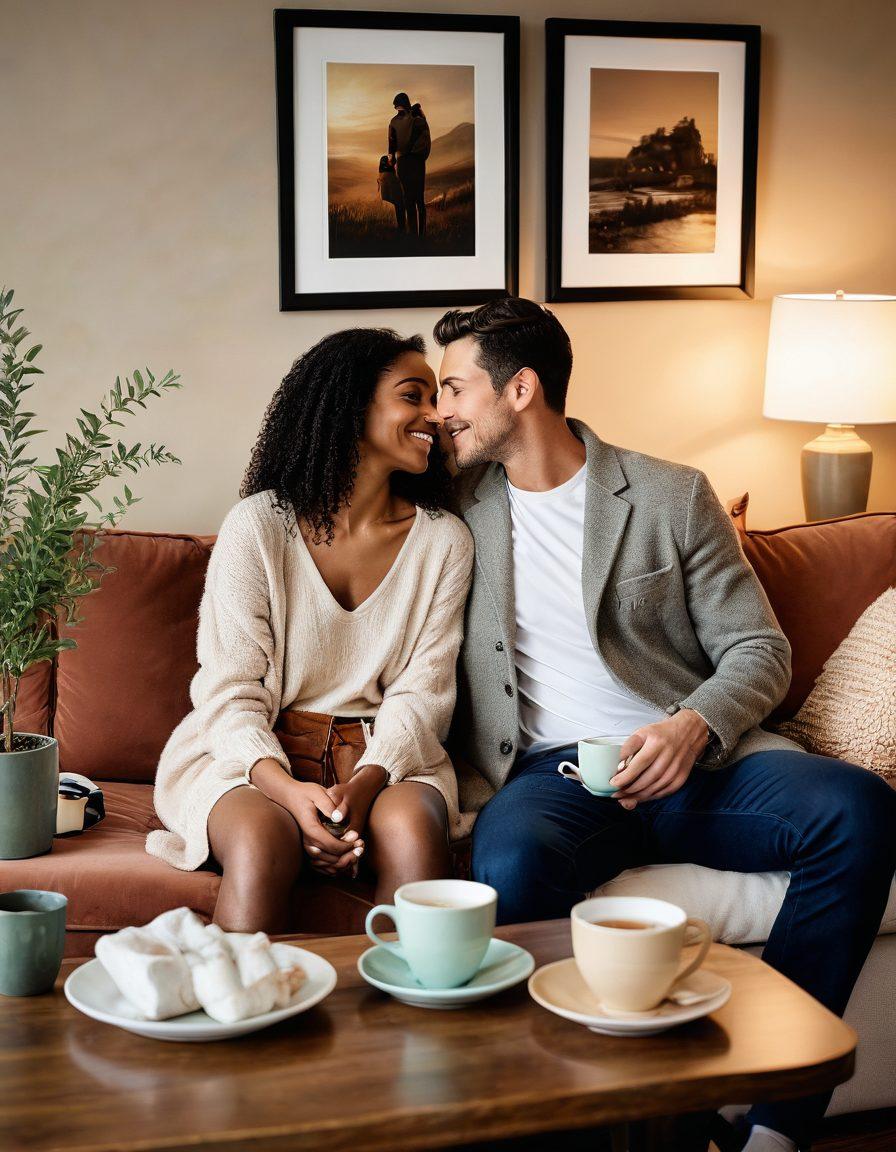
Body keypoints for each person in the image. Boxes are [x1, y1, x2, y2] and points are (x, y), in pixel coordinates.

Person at [433, 296, 896, 1152]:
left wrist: (691, 727)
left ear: (522, 388)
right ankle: (645, 1120)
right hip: (552, 778)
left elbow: (760, 648)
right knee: (511, 859)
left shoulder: (669, 494)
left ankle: (774, 1121)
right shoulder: (452, 510)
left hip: (702, 763)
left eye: (455, 388)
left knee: (859, 811)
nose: (441, 409)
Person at [147, 328, 473, 934]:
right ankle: (241, 1015)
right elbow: (229, 693)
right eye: (414, 396)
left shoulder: (443, 542)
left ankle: (406, 1020)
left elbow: (424, 695)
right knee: (262, 842)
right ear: (352, 406)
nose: (437, 415)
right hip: (252, 757)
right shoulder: (258, 528)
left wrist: (367, 783)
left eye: (437, 398)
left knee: (413, 833)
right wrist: (291, 794)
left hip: (386, 756)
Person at [388, 92, 428, 239]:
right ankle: (420, 235)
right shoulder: (417, 118)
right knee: (417, 199)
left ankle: (414, 235)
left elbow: (391, 145)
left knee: (410, 199)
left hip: (405, 162)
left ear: (398, 105)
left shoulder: (394, 122)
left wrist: (392, 161)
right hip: (415, 161)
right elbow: (424, 135)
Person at [377, 154, 404, 233]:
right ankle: (402, 227)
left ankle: (401, 227)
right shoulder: (391, 175)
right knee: (400, 206)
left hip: (388, 196)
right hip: (394, 195)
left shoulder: (381, 174)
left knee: (398, 207)